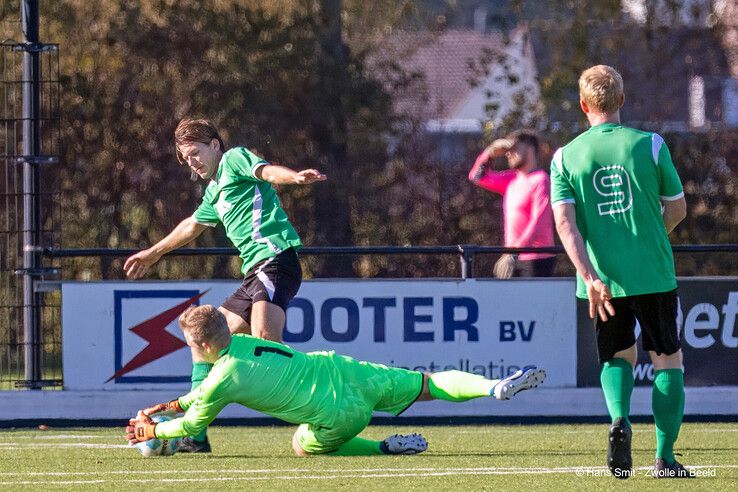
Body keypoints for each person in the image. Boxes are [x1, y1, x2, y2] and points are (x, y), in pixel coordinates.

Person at [123, 118, 326, 452]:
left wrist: (294, 177)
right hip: (255, 273)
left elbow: (266, 171)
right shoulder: (214, 192)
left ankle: (322, 407)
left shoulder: (234, 159)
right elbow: (191, 225)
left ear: (214, 145)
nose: (193, 162)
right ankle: (196, 436)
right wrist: (152, 253)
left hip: (276, 261)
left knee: (268, 349)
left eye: (196, 153)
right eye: (186, 159)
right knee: (202, 339)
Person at [126, 305, 547, 456]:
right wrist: (168, 406)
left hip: (340, 414)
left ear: (201, 343)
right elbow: (201, 396)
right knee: (429, 383)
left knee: (300, 444)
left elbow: (195, 426)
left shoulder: (223, 378)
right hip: (346, 370)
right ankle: (492, 386)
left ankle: (382, 448)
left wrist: (153, 429)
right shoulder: (246, 343)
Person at [550, 65, 690, 479]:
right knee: (667, 360)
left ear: (583, 105)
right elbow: (678, 207)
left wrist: (590, 276)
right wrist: (650, 239)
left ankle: (619, 421)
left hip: (601, 282)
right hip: (653, 274)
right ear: (622, 101)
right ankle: (664, 459)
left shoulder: (564, 157)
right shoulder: (650, 145)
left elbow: (565, 225)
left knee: (616, 356)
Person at [468, 130, 556, 278]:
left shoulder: (541, 180)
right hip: (513, 258)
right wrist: (490, 152)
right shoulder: (511, 180)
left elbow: (539, 222)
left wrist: (514, 252)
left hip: (536, 259)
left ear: (530, 148)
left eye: (514, 148)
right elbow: (476, 176)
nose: (508, 153)